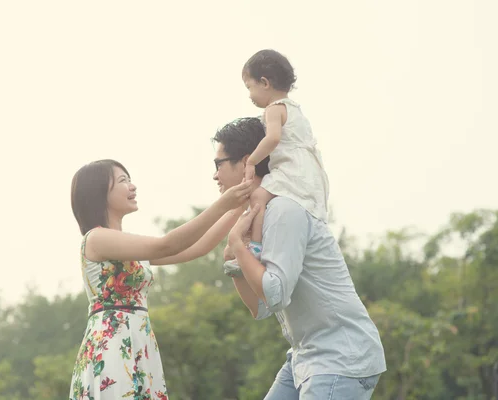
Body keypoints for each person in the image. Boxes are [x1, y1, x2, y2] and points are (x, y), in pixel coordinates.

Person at [212, 118, 387, 399]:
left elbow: (275, 294)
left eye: (217, 164)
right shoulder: (260, 216)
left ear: (246, 161)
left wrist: (239, 247)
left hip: (339, 357)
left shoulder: (283, 210)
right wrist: (234, 261)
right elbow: (262, 307)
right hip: (303, 357)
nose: (214, 175)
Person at [68, 159, 253, 400]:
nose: (132, 186)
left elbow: (197, 248)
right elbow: (166, 245)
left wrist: (237, 209)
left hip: (137, 340)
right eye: (123, 181)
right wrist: (222, 203)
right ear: (99, 192)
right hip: (112, 345)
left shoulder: (125, 245)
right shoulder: (96, 239)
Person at [225, 49, 330, 271]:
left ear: (264, 82)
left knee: (258, 197)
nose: (249, 95)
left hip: (291, 171)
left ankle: (255, 247)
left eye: (249, 87)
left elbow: (273, 138)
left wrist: (252, 161)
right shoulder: (296, 110)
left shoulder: (274, 109)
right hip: (310, 173)